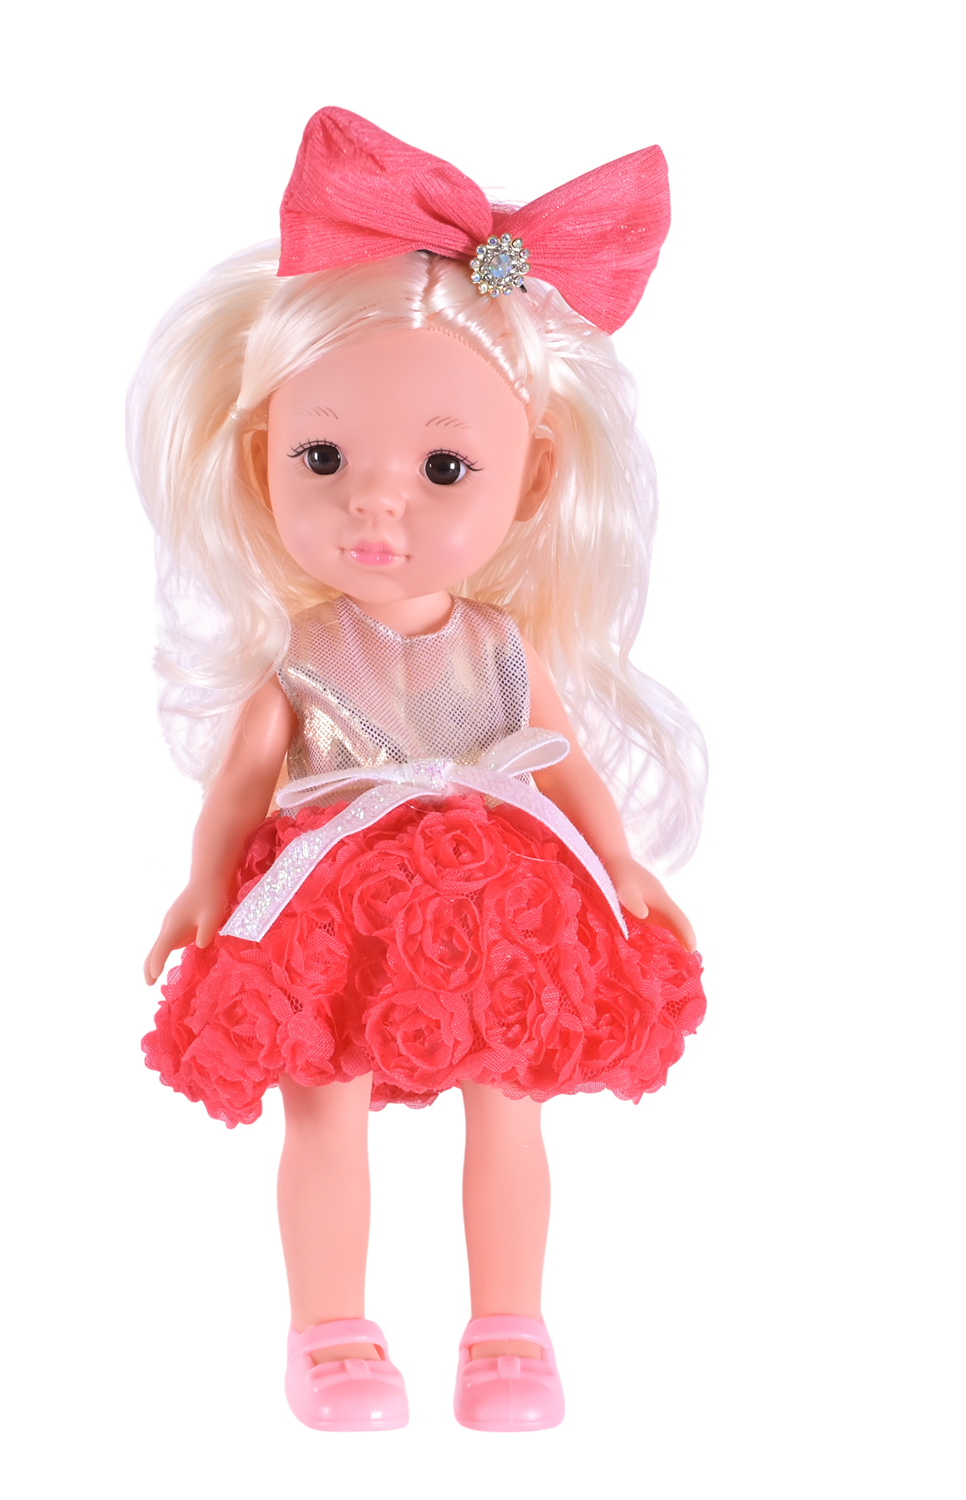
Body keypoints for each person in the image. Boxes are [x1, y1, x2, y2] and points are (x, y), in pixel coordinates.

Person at [127, 107, 708, 1431]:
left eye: (445, 467)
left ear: (533, 478)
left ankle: (510, 1329)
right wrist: (203, 891)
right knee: (323, 1104)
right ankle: (330, 1333)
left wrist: (622, 867)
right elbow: (240, 787)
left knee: (511, 1100)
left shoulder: (501, 647)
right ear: (262, 453)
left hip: (503, 898)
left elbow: (563, 764)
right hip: (329, 904)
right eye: (322, 457)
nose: (374, 502)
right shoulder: (302, 656)